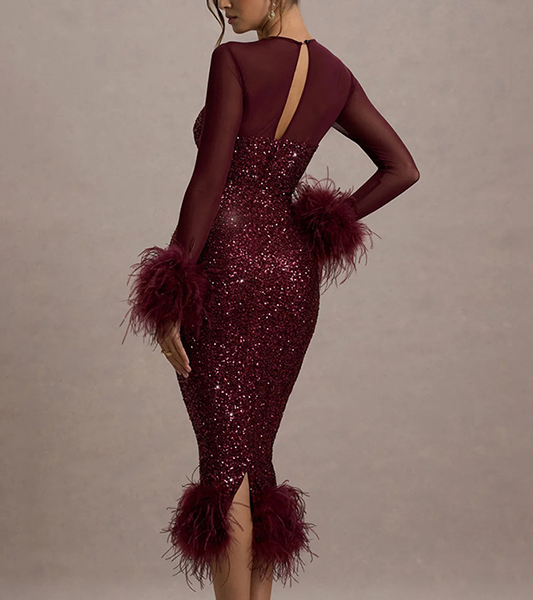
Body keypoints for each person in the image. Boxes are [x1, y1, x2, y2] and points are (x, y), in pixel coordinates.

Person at [120, 0, 419, 598]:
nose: (225, 3)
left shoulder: (233, 59)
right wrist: (323, 225)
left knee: (224, 457)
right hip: (291, 274)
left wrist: (174, 284)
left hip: (226, 267)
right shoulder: (336, 74)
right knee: (252, 452)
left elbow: (210, 179)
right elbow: (401, 168)